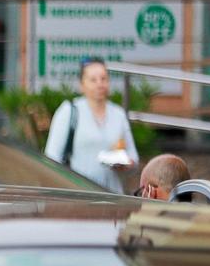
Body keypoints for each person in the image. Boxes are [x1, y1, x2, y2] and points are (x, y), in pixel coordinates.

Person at [44, 58, 140, 192]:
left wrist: (125, 165)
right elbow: (52, 157)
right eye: (93, 80)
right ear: (81, 85)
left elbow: (133, 158)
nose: (99, 84)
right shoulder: (69, 111)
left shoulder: (118, 114)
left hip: (113, 196)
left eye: (103, 78)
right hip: (79, 195)